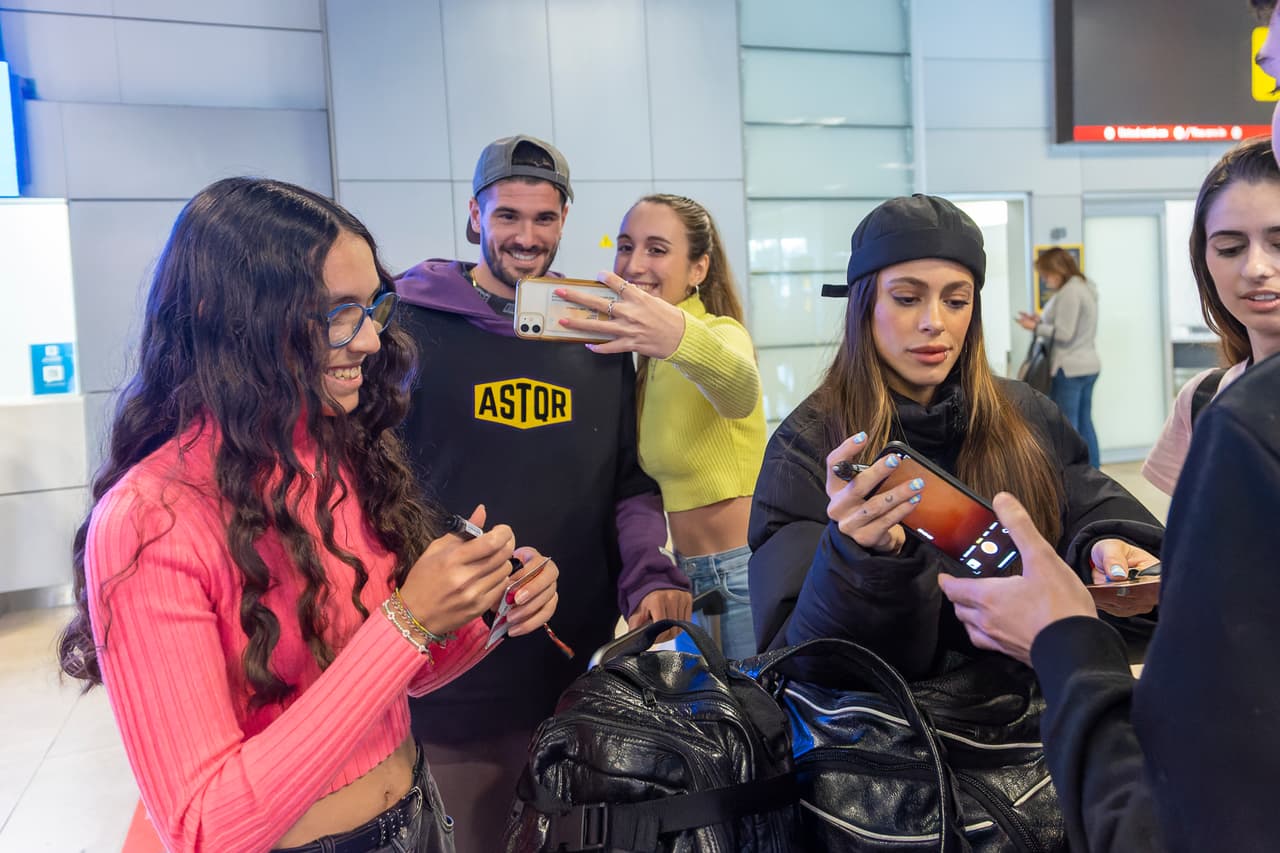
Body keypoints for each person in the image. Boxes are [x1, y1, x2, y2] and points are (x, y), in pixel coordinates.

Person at [54, 177, 560, 853]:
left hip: (418, 817)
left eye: (371, 307)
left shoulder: (333, 449)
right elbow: (207, 826)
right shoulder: (151, 519)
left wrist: (481, 609)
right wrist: (406, 621)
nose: (372, 341)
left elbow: (388, 687)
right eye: (334, 314)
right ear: (228, 318)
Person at [936, 7, 1280, 850]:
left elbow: (1183, 807)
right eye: (1228, 246)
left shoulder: (1245, 425)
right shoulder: (1214, 402)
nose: (1256, 268)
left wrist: (1065, 639)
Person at [395, 135, 690, 853]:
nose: (526, 238)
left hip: (572, 654)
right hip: (456, 659)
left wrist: (651, 569)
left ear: (565, 220)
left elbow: (627, 476)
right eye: (507, 217)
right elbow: (384, 482)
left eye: (544, 218)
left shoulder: (596, 327)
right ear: (474, 214)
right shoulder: (411, 322)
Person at [749, 194, 1163, 677]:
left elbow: (1089, 505)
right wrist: (856, 559)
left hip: (1040, 729)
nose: (935, 322)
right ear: (863, 305)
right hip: (894, 739)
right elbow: (794, 656)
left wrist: (1108, 546)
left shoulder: (1027, 414)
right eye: (907, 298)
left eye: (956, 300)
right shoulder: (809, 444)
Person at [553, 194, 766, 660]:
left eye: (656, 249)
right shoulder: (643, 362)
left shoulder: (718, 332)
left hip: (745, 572)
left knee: (764, 725)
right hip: (690, 577)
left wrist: (677, 338)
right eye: (625, 247)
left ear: (697, 269)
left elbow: (739, 387)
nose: (634, 264)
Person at [1142, 134, 1280, 495]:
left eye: (1279, 244)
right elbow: (1199, 547)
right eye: (1230, 248)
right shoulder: (1203, 399)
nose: (1256, 267)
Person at [1018, 247, 1102, 467]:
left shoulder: (1069, 293)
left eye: (1046, 275)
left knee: (1067, 428)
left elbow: (1064, 334)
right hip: (1088, 365)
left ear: (1058, 270)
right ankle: (1093, 474)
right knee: (1085, 425)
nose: (1045, 281)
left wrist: (1035, 327)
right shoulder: (1085, 287)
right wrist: (1041, 323)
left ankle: (1074, 480)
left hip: (1070, 368)